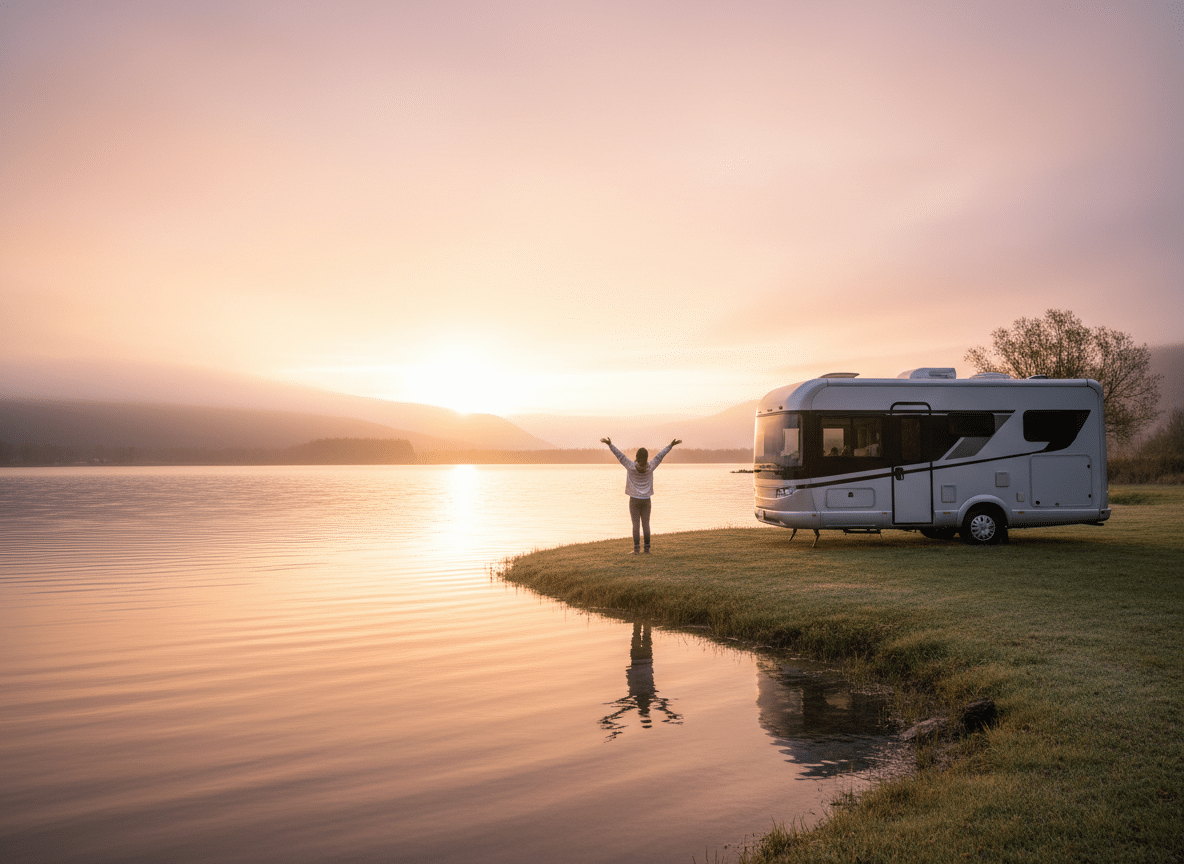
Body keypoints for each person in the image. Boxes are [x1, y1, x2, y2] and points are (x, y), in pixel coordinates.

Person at [601, 437, 681, 554]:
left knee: (636, 525)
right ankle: (647, 549)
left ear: (637, 456)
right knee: (646, 525)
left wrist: (610, 445)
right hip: (646, 500)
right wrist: (671, 445)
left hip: (634, 500)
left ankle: (637, 550)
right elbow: (660, 456)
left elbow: (620, 456)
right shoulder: (651, 467)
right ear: (646, 457)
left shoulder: (631, 466)